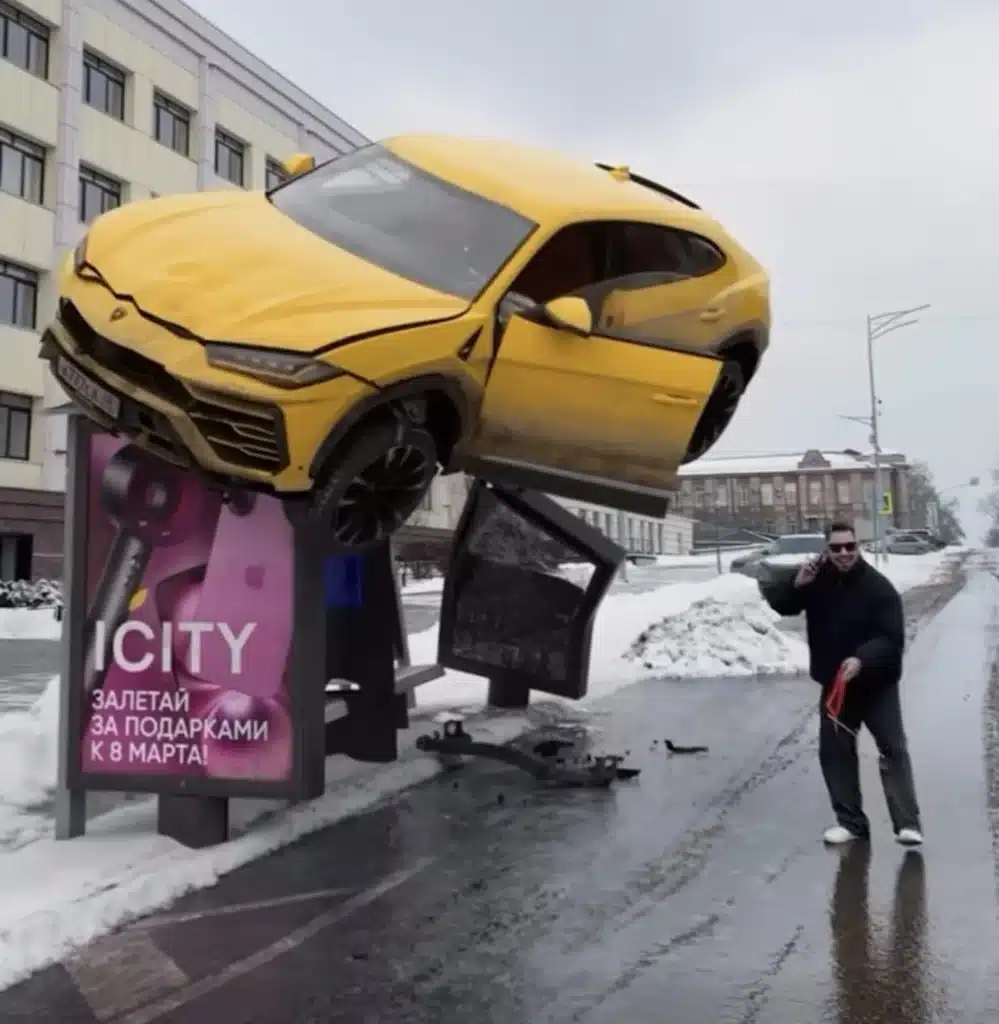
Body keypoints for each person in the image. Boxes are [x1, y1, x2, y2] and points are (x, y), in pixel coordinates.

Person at [760, 520, 923, 846]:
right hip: (837, 686)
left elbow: (892, 640)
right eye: (836, 548)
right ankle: (850, 823)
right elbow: (782, 604)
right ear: (828, 549)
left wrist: (861, 660)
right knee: (835, 753)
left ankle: (907, 824)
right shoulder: (817, 580)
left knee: (893, 749)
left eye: (850, 546)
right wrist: (797, 584)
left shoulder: (879, 587)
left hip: (876, 684)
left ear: (858, 547)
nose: (844, 553)